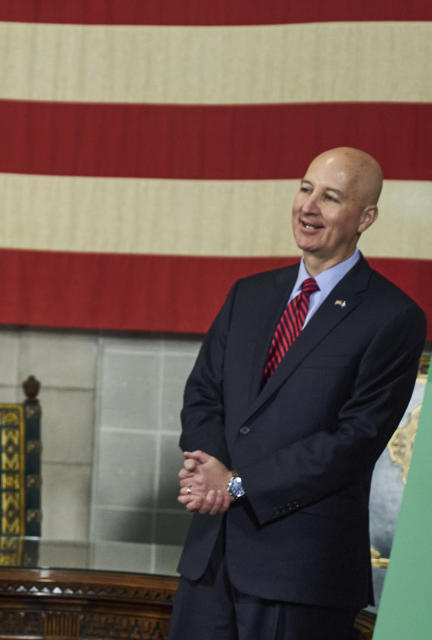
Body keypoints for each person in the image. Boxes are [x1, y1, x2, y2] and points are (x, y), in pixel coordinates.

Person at [170, 147, 425, 639]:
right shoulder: (249, 293)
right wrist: (211, 472)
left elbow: (352, 442)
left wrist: (236, 485)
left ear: (365, 217)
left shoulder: (393, 318)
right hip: (210, 563)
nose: (308, 207)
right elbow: (202, 395)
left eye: (330, 197)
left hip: (299, 574)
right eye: (305, 188)